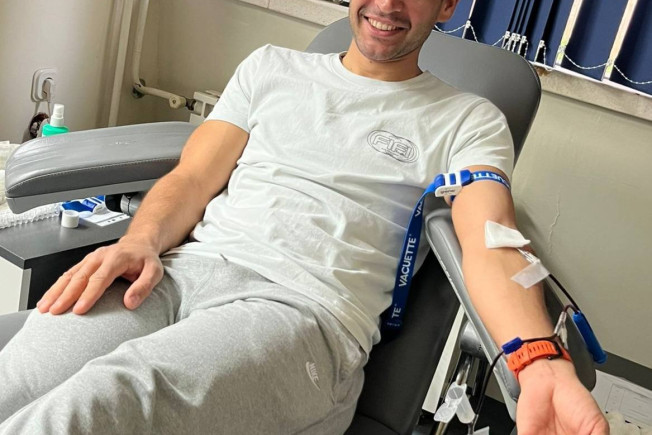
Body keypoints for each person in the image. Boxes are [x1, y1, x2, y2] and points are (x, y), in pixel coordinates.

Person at [0, 0, 608, 433]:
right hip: (178, 273)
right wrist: (140, 241)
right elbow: (191, 178)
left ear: (447, 5)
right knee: (16, 380)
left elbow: (490, 239)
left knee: (95, 404)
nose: (387, 5)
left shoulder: (467, 121)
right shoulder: (269, 67)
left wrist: (537, 358)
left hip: (302, 314)